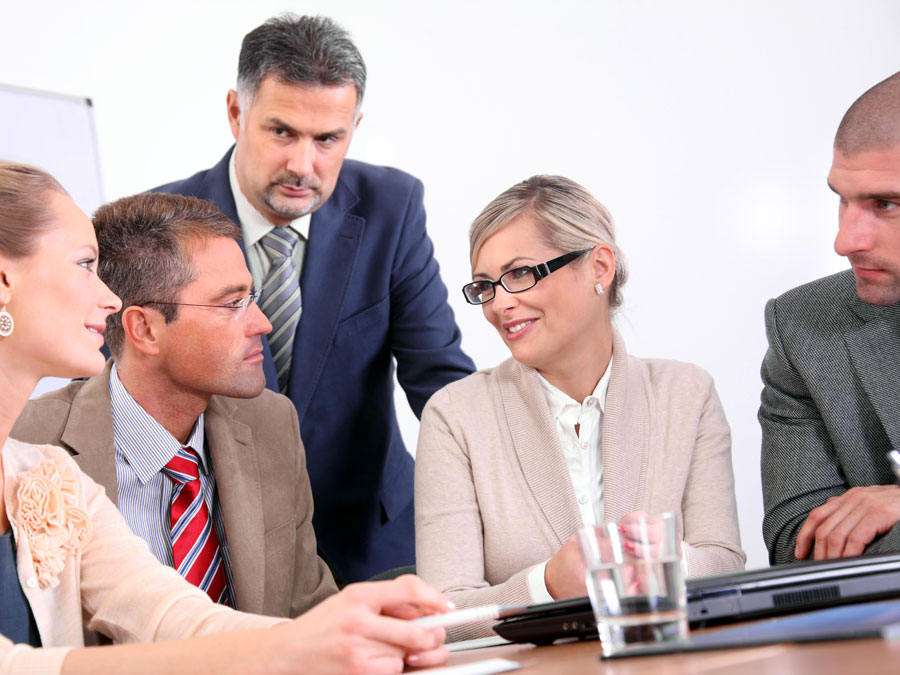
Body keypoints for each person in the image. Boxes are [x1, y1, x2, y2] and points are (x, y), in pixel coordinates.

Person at [0, 161, 451, 673]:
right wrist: (298, 645)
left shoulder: (49, 476)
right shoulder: (52, 450)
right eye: (85, 264)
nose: (107, 299)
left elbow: (172, 615)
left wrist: (338, 630)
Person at [153, 14, 475, 584]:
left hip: (372, 542)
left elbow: (442, 381)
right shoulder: (160, 224)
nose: (304, 166)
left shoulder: (391, 207)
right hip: (223, 551)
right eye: (282, 132)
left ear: (354, 126)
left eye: (328, 139)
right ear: (236, 112)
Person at [415, 175, 745, 640]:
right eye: (485, 286)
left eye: (520, 274)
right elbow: (441, 615)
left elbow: (724, 559)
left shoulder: (686, 393)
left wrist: (661, 557)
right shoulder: (455, 415)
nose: (500, 305)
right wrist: (546, 585)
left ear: (599, 267)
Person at [11, 192, 337, 618]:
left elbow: (310, 612)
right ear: (143, 329)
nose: (263, 322)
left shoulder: (270, 422)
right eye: (232, 303)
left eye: (251, 297)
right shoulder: (25, 444)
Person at [760, 71, 900, 565]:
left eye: (887, 204)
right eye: (843, 199)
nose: (844, 241)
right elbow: (798, 546)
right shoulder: (803, 328)